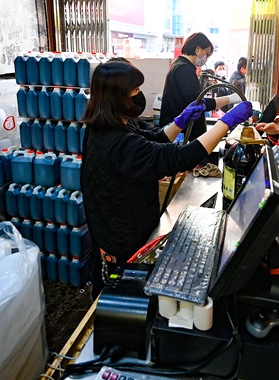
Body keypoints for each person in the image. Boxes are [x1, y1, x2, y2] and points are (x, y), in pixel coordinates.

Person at [81, 59, 253, 267]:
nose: (140, 94)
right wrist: (226, 123)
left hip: (128, 222)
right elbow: (179, 157)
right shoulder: (118, 144)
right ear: (117, 97)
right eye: (135, 90)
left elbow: (154, 139)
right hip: (123, 240)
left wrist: (180, 121)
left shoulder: (111, 125)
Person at [159, 33, 242, 142]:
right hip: (182, 136)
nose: (206, 59)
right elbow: (198, 103)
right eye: (206, 54)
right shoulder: (184, 69)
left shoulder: (182, 66)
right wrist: (231, 99)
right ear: (197, 49)